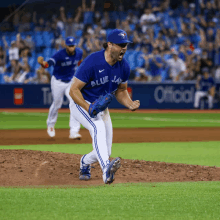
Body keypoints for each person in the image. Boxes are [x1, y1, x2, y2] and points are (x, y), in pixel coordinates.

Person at [69, 29, 140, 184]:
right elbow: (73, 90)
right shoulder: (93, 61)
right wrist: (88, 108)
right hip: (82, 103)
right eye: (120, 44)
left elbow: (121, 90)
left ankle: (84, 162)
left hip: (102, 108)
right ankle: (106, 171)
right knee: (98, 127)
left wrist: (129, 103)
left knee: (105, 151)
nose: (124, 48)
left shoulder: (124, 66)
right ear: (109, 44)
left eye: (125, 45)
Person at [37, 37, 83, 139]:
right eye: (70, 46)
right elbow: (48, 64)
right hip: (58, 81)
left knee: (75, 103)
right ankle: (50, 125)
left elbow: (79, 62)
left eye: (73, 45)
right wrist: (42, 64)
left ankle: (74, 132)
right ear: (66, 45)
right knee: (57, 104)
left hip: (70, 81)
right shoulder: (59, 54)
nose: (71, 47)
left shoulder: (79, 52)